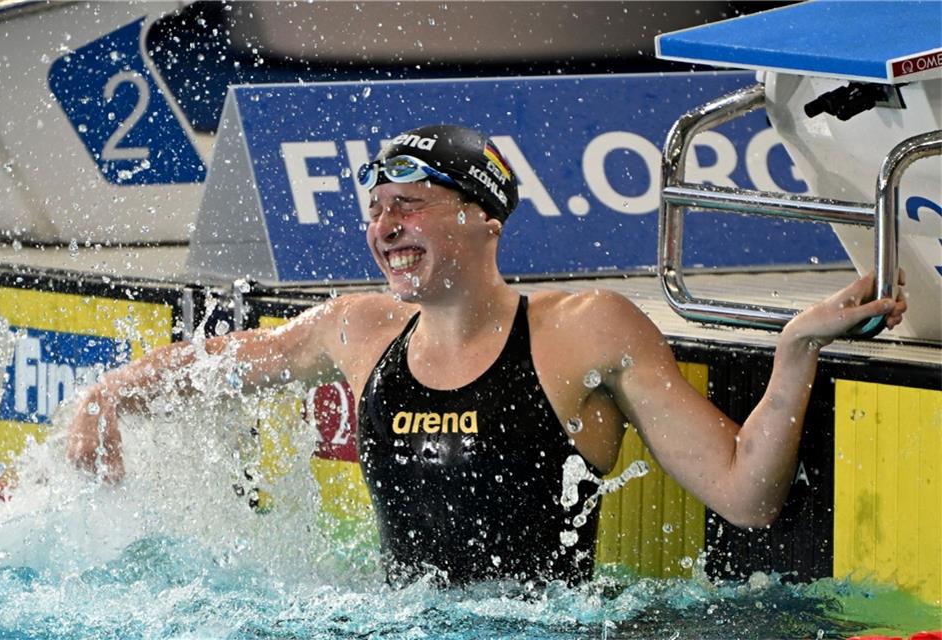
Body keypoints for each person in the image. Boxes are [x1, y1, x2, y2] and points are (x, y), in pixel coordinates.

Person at [66, 124, 907, 586]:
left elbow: (746, 497)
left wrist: (794, 352)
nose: (385, 227)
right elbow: (215, 365)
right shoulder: (357, 329)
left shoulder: (587, 329)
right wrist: (108, 395)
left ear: (483, 219)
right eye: (376, 211)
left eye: (410, 205)